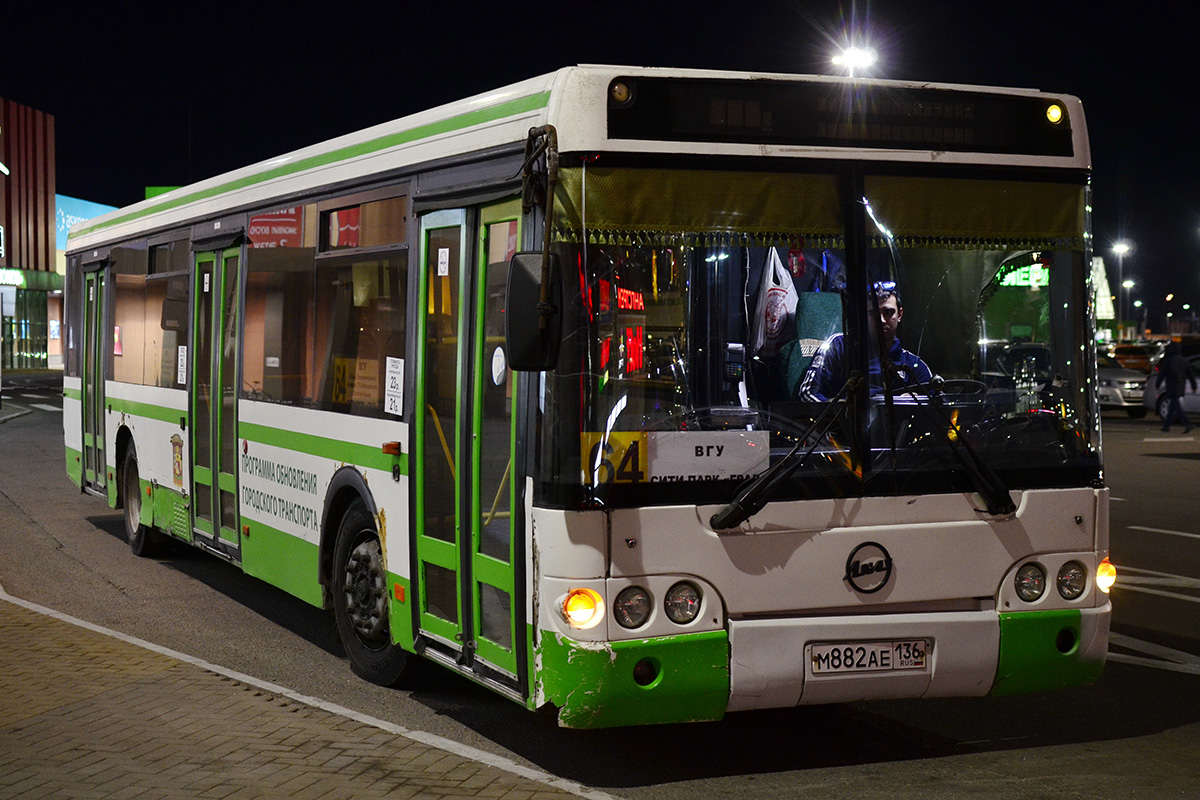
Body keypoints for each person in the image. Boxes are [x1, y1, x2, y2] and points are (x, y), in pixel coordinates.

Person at [798, 281, 932, 401]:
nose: (881, 320)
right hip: (843, 427)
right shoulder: (839, 346)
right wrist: (839, 410)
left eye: (888, 312)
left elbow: (938, 405)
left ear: (900, 315)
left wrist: (912, 402)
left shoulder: (913, 365)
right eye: (873, 313)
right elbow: (808, 393)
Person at [1154, 342, 1197, 433]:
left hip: (1172, 385)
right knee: (1173, 406)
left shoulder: (1169, 361)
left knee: (1176, 406)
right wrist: (1194, 386)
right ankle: (1166, 426)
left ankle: (1188, 423)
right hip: (1181, 385)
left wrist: (1158, 384)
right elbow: (1190, 374)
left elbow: (1162, 374)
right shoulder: (1184, 361)